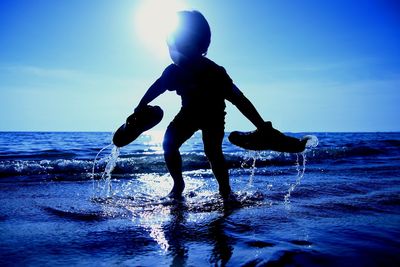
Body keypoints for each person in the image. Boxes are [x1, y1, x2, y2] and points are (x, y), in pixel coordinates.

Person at [135, 10, 267, 199]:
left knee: (213, 152)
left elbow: (240, 100)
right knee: (169, 143)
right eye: (172, 47)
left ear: (200, 46)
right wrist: (141, 105)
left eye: (182, 45)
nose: (175, 52)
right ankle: (178, 184)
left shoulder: (216, 72)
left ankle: (225, 191)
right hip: (188, 113)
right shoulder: (174, 71)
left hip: (213, 115)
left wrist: (261, 126)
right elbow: (158, 87)